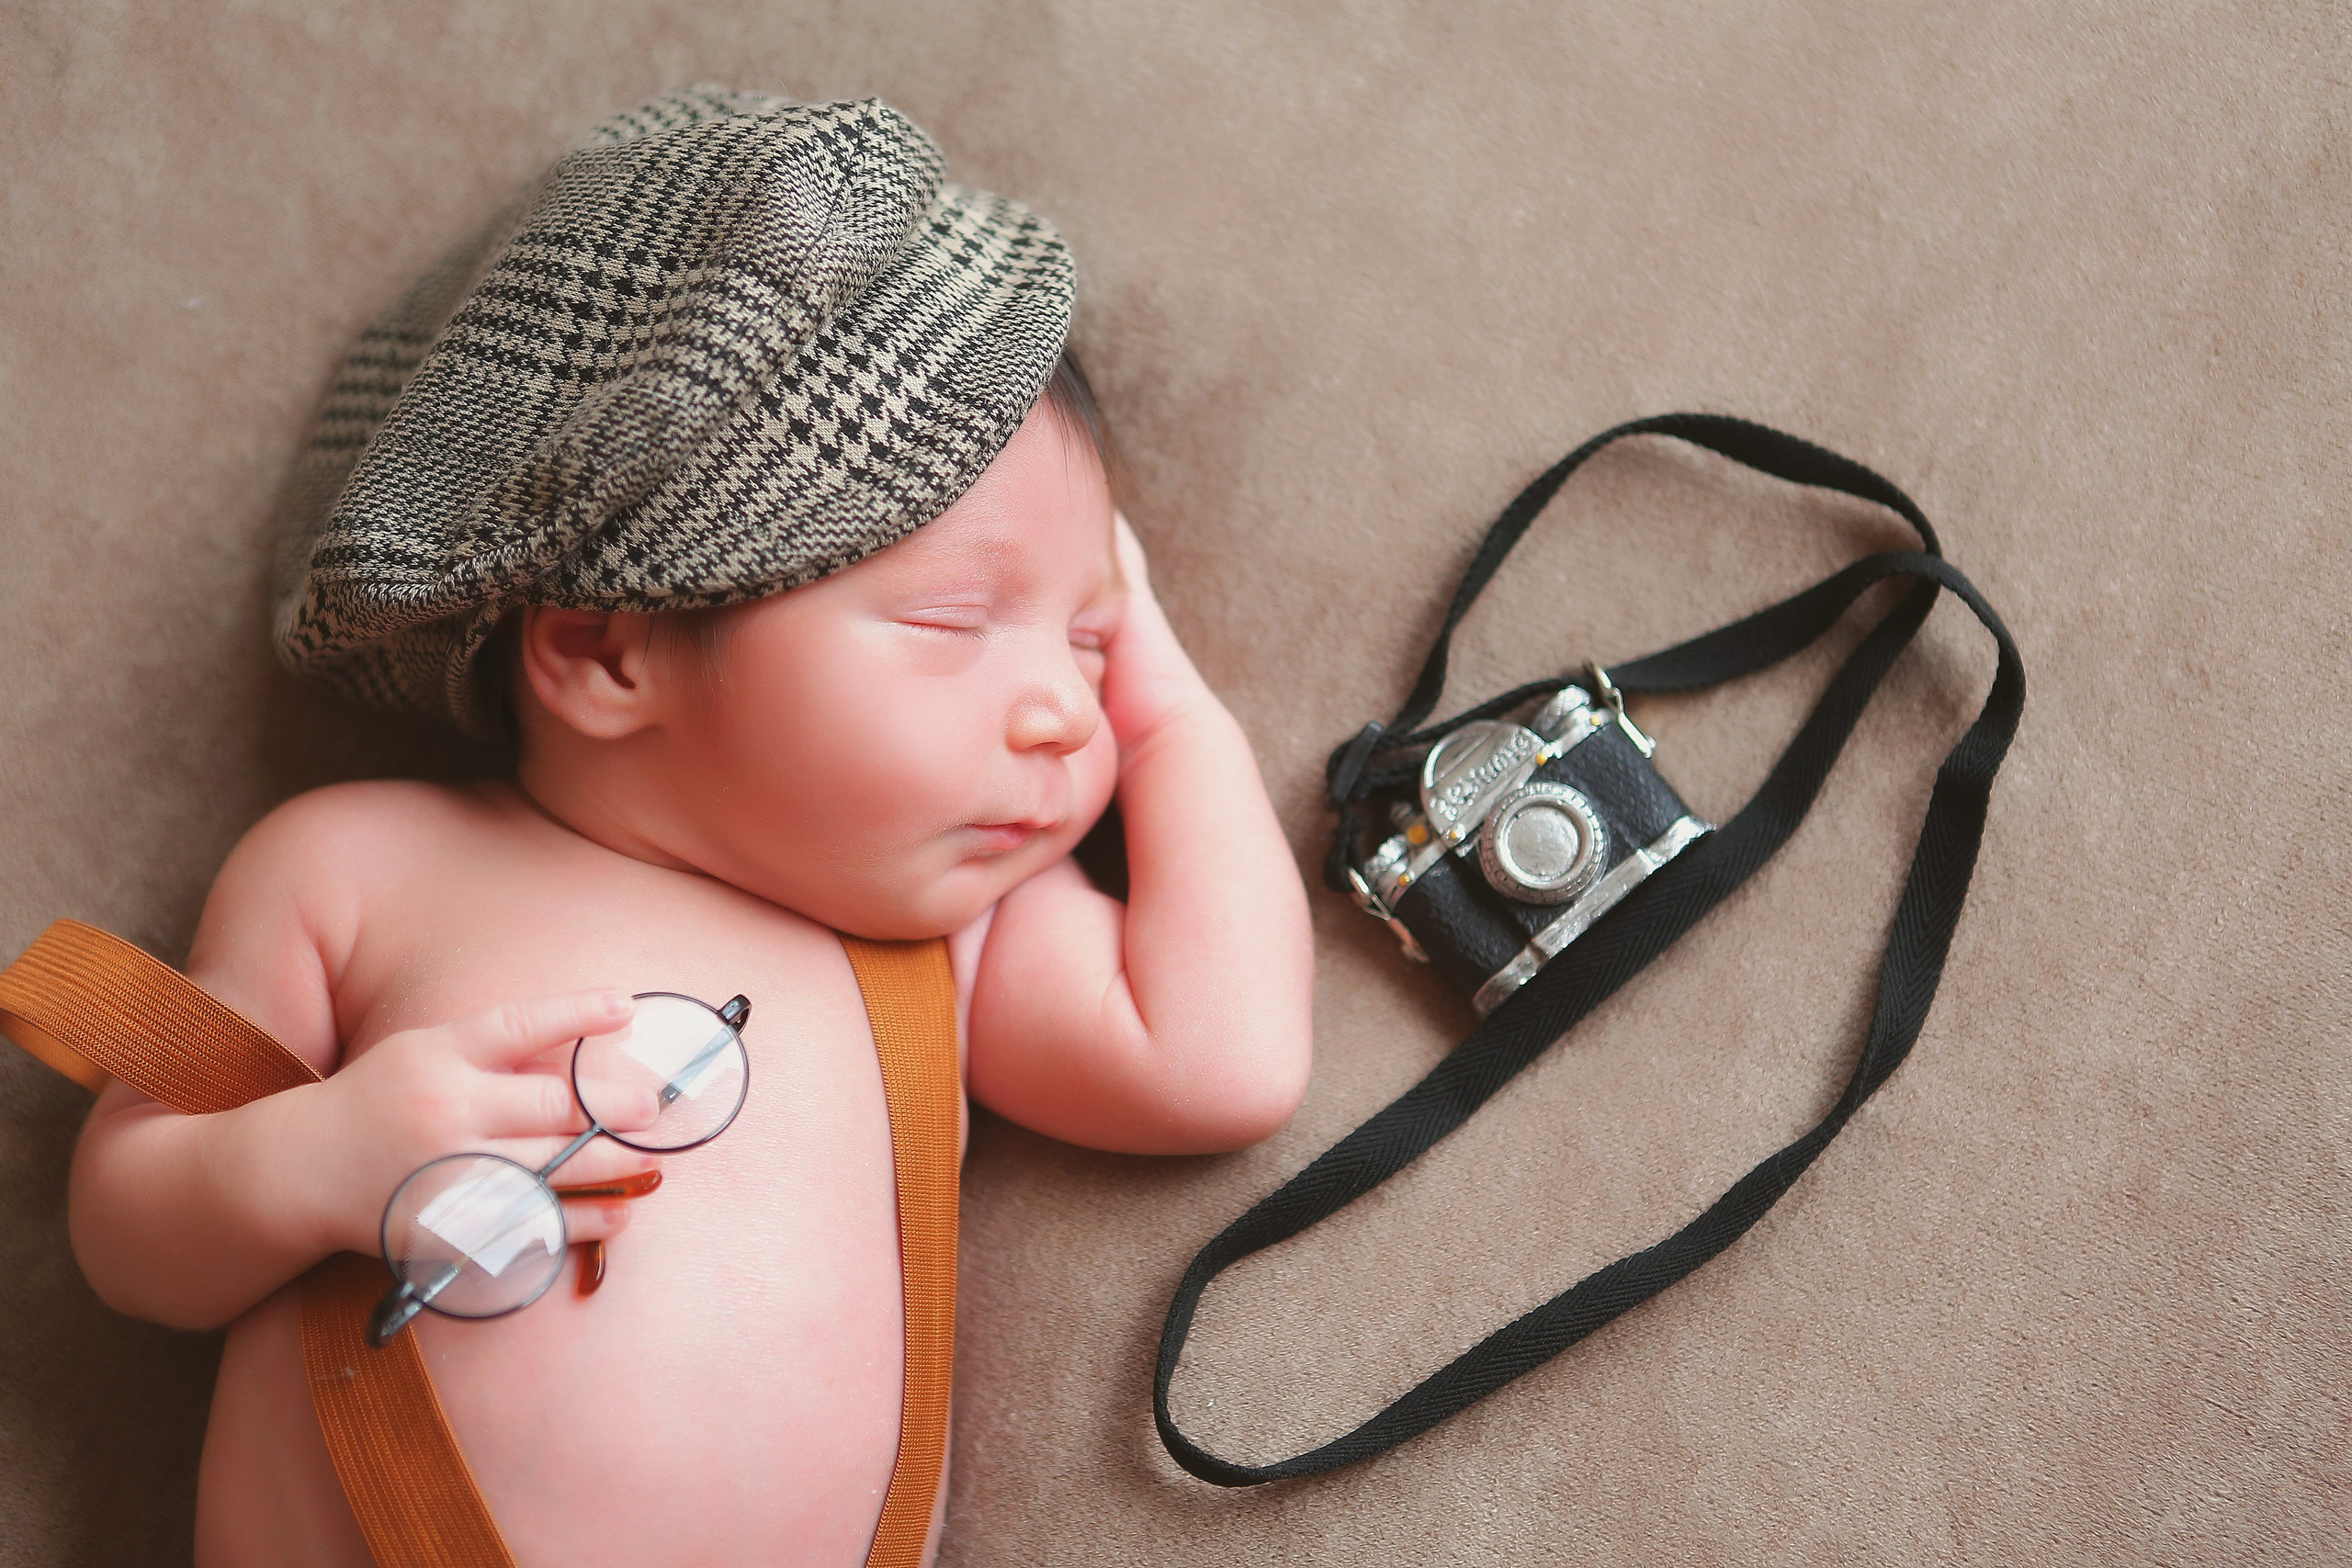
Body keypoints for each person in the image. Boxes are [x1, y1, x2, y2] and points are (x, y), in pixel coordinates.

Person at [62, 87, 1313, 1566]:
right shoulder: (359, 863)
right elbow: (128, 1232)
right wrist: (319, 1157)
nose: (1065, 712)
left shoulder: (937, 945)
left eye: (1089, 644)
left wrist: (1161, 695)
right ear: (605, 652)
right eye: (955, 617)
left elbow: (1222, 1060)